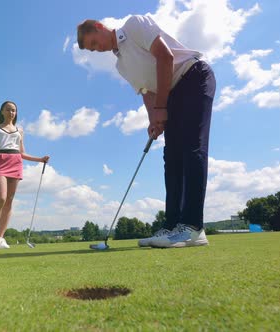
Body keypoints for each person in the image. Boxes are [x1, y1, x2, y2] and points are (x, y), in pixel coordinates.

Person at [77, 15, 216, 248]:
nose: (97, 49)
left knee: (192, 149)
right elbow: (146, 92)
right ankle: (172, 227)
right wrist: (154, 119)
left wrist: (161, 108)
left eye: (94, 43)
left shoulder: (133, 25)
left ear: (100, 27)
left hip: (193, 77)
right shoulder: (120, 65)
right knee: (171, 158)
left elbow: (165, 57)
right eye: (92, 50)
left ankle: (193, 228)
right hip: (170, 94)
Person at [0, 101, 50, 250]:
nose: (11, 112)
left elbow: (22, 153)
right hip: (0, 161)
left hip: (16, 163)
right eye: (8, 110)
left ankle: (0, 238)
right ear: (2, 111)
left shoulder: (20, 130)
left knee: (9, 201)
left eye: (14, 110)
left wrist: (40, 159)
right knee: (1, 198)